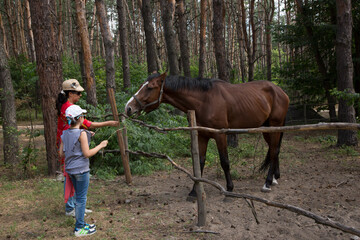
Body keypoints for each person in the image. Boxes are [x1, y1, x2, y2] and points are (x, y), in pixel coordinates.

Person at [56, 79, 118, 217]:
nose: (80, 95)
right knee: (71, 177)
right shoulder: (68, 108)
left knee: (71, 175)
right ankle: (71, 208)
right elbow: (86, 124)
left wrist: (84, 133)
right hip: (70, 149)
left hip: (67, 145)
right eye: (78, 93)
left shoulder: (69, 107)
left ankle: (76, 207)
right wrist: (109, 123)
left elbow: (77, 128)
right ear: (70, 93)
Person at [59, 105, 108, 237]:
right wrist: (100, 145)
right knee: (81, 199)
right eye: (83, 116)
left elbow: (61, 154)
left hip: (70, 171)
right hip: (81, 171)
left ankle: (81, 223)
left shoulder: (65, 134)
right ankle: (79, 228)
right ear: (80, 118)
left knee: (78, 198)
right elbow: (87, 153)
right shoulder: (81, 133)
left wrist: (86, 137)